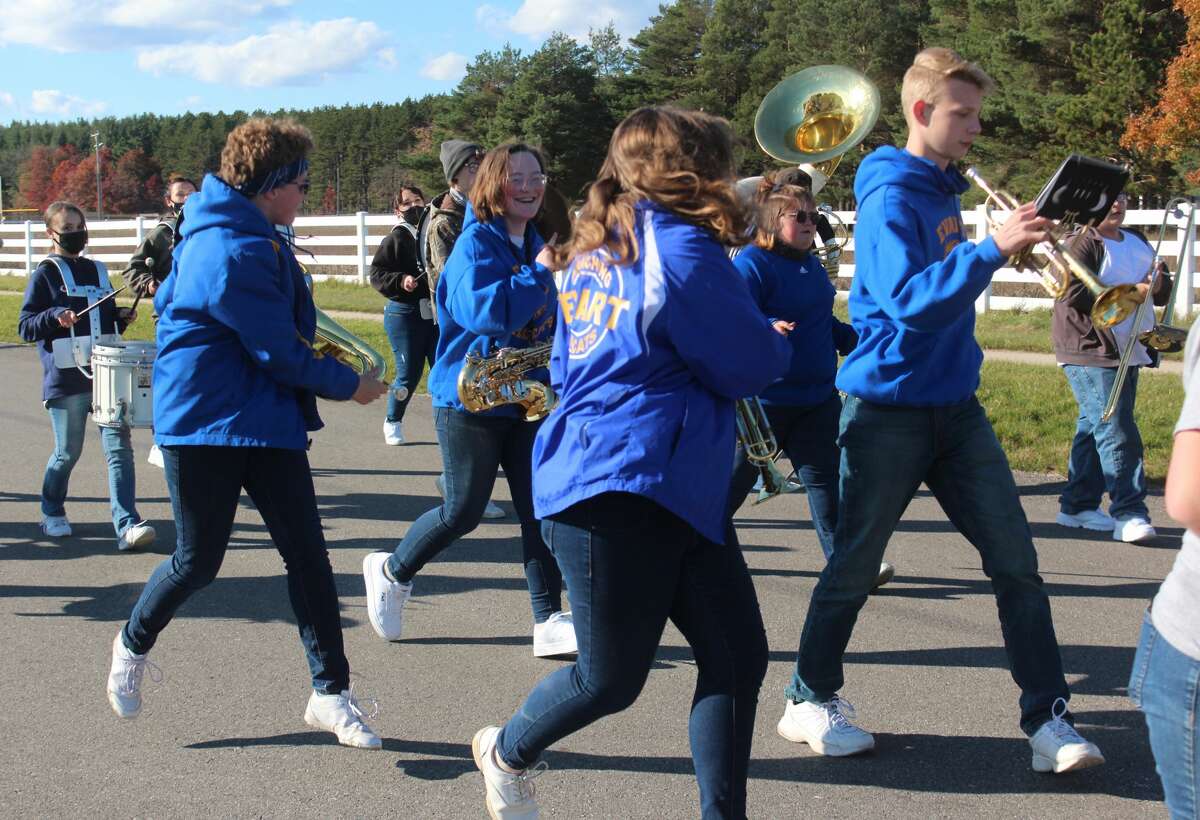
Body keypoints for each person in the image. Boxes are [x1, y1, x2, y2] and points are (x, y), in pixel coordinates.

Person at [783, 47, 1106, 774]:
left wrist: (1005, 245)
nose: (977, 128)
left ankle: (1048, 720)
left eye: (979, 113)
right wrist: (991, 250)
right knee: (854, 568)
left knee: (1017, 564)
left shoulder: (943, 186)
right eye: (964, 114)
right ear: (923, 112)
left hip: (957, 409)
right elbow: (908, 304)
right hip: (886, 412)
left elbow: (946, 280)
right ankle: (808, 696)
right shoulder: (892, 194)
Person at [468, 107, 791, 819]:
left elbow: (570, 359)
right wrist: (770, 337)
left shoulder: (600, 241)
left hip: (667, 483)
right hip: (616, 486)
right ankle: (505, 751)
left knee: (737, 657)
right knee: (609, 680)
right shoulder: (680, 249)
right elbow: (746, 366)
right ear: (694, 168)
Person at [105, 118, 389, 750]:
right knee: (198, 563)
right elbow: (278, 353)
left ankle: (331, 694)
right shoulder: (230, 249)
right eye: (302, 184)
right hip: (204, 428)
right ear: (272, 185)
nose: (306, 195)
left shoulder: (254, 235)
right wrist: (351, 386)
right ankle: (132, 641)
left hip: (266, 425)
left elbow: (283, 339)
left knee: (310, 560)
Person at [363, 142, 574, 658]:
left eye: (536, 176)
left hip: (527, 395)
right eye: (516, 177)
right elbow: (488, 312)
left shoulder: (534, 242)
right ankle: (392, 572)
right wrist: (541, 271)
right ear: (493, 186)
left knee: (540, 509)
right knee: (463, 511)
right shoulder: (474, 244)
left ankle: (548, 618)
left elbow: (549, 322)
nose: (528, 186)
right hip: (470, 399)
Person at [726, 180, 893, 588]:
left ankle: (848, 568)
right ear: (771, 219)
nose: (809, 222)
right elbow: (729, 317)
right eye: (798, 216)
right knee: (727, 489)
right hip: (764, 403)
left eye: (813, 215)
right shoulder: (752, 263)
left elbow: (822, 323)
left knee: (829, 487)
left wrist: (860, 340)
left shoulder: (812, 264)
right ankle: (683, 551)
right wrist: (767, 326)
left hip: (817, 399)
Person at [18, 201, 155, 551]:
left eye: (81, 225)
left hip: (106, 373)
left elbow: (104, 318)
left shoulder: (98, 269)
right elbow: (25, 326)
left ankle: (126, 524)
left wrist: (119, 318)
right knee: (68, 451)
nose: (78, 233)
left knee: (119, 449)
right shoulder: (45, 273)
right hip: (66, 377)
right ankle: (51, 509)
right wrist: (54, 316)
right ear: (51, 234)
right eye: (69, 228)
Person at [1053, 191, 1171, 543]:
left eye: (1120, 197)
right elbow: (1071, 295)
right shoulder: (1081, 242)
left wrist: (1158, 280)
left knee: (1094, 426)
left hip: (1130, 345)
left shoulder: (1135, 240)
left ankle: (1076, 506)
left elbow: (1161, 293)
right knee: (1116, 427)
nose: (1116, 205)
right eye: (1106, 200)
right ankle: (1129, 512)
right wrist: (1136, 289)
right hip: (1090, 348)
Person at [1130, 316, 1200, 818]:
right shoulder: (1091, 244)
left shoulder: (1124, 246)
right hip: (1191, 649)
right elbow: (1190, 498)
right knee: (1105, 425)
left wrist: (1151, 286)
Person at [424, 139, 504, 519]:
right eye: (473, 167)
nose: (481, 173)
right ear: (456, 174)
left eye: (483, 165)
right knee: (463, 401)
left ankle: (462, 482)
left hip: (489, 324)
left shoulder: (491, 212)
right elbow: (453, 281)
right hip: (461, 325)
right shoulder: (444, 221)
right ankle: (462, 485)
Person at [371, 184, 434, 446]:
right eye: (407, 204)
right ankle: (393, 420)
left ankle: (451, 426)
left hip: (434, 313)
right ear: (398, 210)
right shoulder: (396, 237)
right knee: (409, 373)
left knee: (444, 368)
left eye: (418, 200)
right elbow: (377, 273)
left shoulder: (433, 231)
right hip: (404, 314)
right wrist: (401, 280)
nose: (415, 207)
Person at [123, 175, 198, 298]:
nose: (187, 199)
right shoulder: (161, 234)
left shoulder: (209, 230)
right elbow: (132, 270)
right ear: (169, 201)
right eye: (180, 195)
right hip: (171, 309)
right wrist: (148, 284)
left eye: (191, 194)